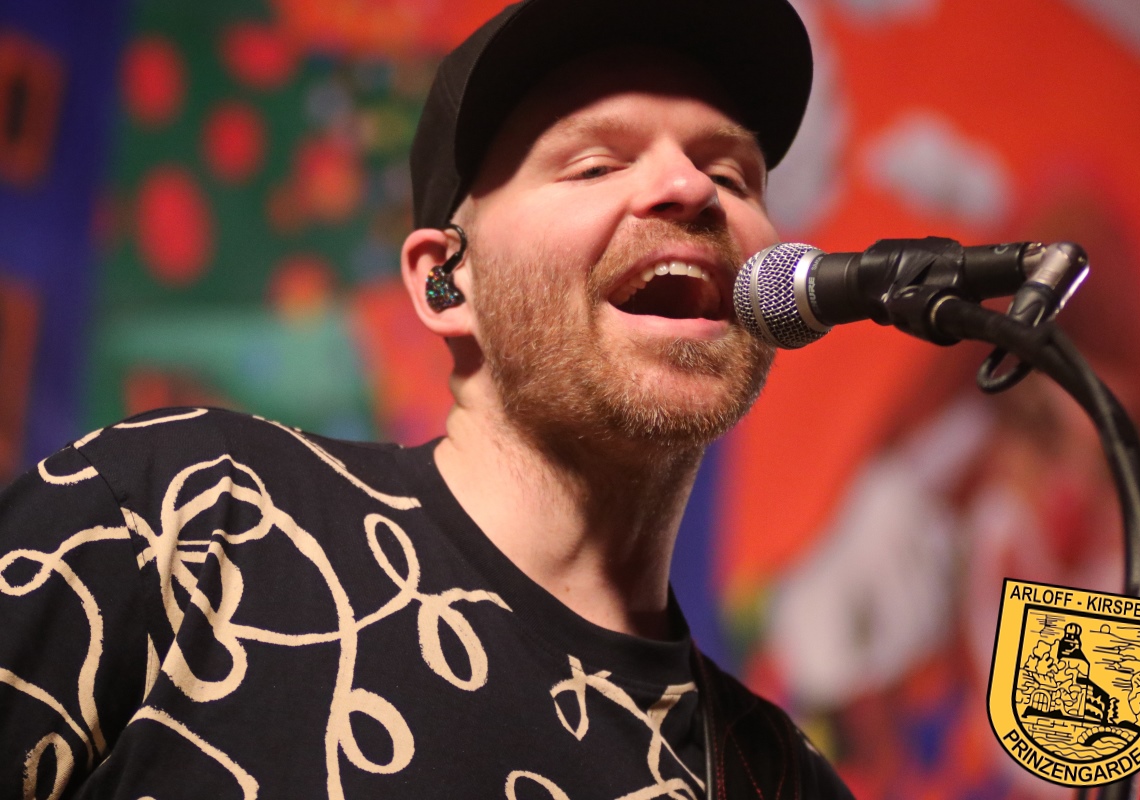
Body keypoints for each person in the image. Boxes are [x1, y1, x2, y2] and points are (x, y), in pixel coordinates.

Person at [0, 0, 852, 797]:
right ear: (447, 283)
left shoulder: (778, 777)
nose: (692, 189)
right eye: (595, 163)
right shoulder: (179, 513)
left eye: (732, 175)